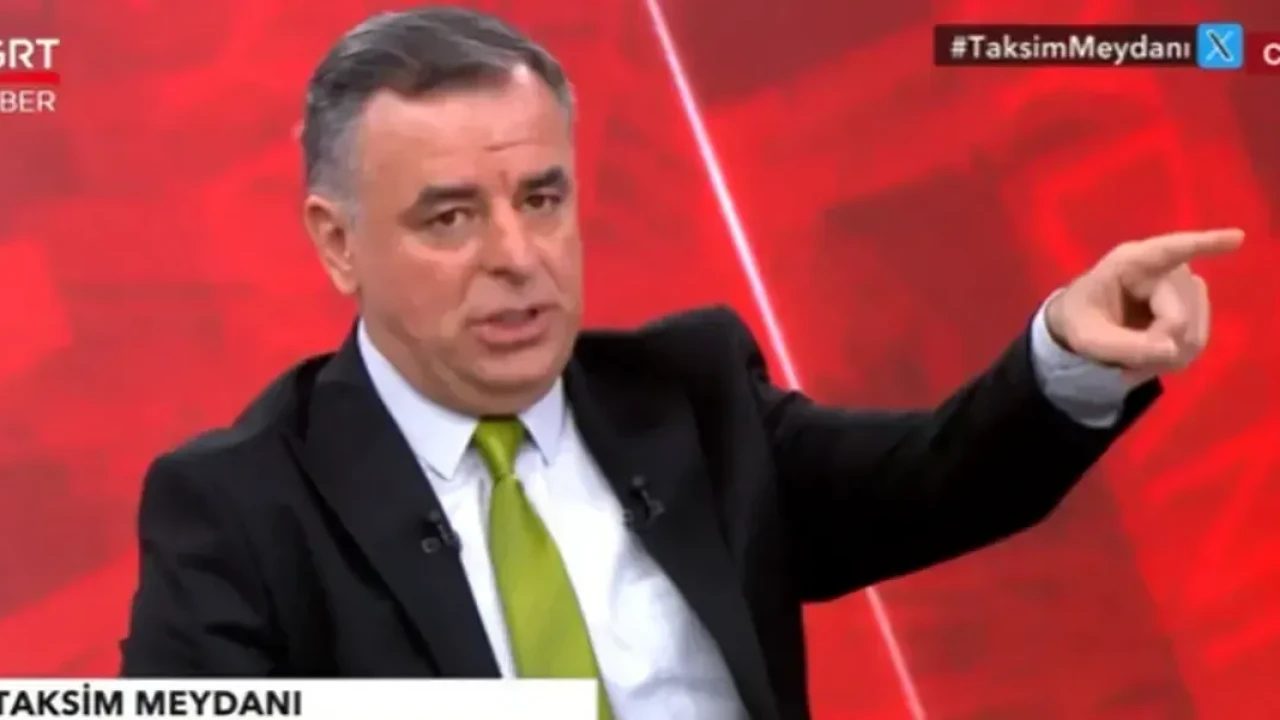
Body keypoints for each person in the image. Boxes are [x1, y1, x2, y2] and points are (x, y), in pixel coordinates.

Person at [119, 6, 1243, 720]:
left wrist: (1070, 353)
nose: (518, 257)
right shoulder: (241, 506)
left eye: (541, 199)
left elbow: (937, 478)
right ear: (337, 242)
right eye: (450, 217)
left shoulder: (690, 399)